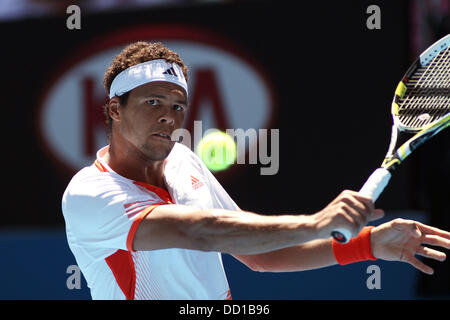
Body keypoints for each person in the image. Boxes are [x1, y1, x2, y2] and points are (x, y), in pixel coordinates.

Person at [61, 41, 450, 300]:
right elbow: (196, 231)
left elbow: (262, 255)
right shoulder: (88, 193)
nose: (169, 116)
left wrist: (369, 244)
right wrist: (317, 222)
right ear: (114, 109)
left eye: (179, 106)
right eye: (152, 102)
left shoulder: (182, 160)